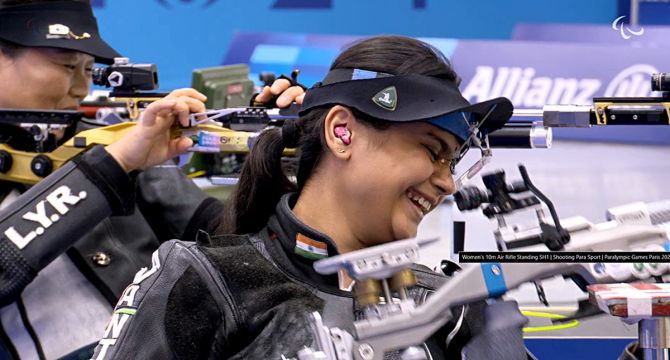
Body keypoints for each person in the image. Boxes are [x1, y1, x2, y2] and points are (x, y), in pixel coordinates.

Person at [2, 35, 524, 359]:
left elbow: (253, 236)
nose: (448, 183)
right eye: (432, 151)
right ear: (342, 133)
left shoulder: (450, 301)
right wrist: (117, 162)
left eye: (454, 161)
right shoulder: (201, 277)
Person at [0, 1, 303, 358]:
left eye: (88, 69)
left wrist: (279, 148)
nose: (81, 88)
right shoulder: (116, 151)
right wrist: (111, 166)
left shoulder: (105, 140)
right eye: (67, 66)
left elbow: (230, 237)